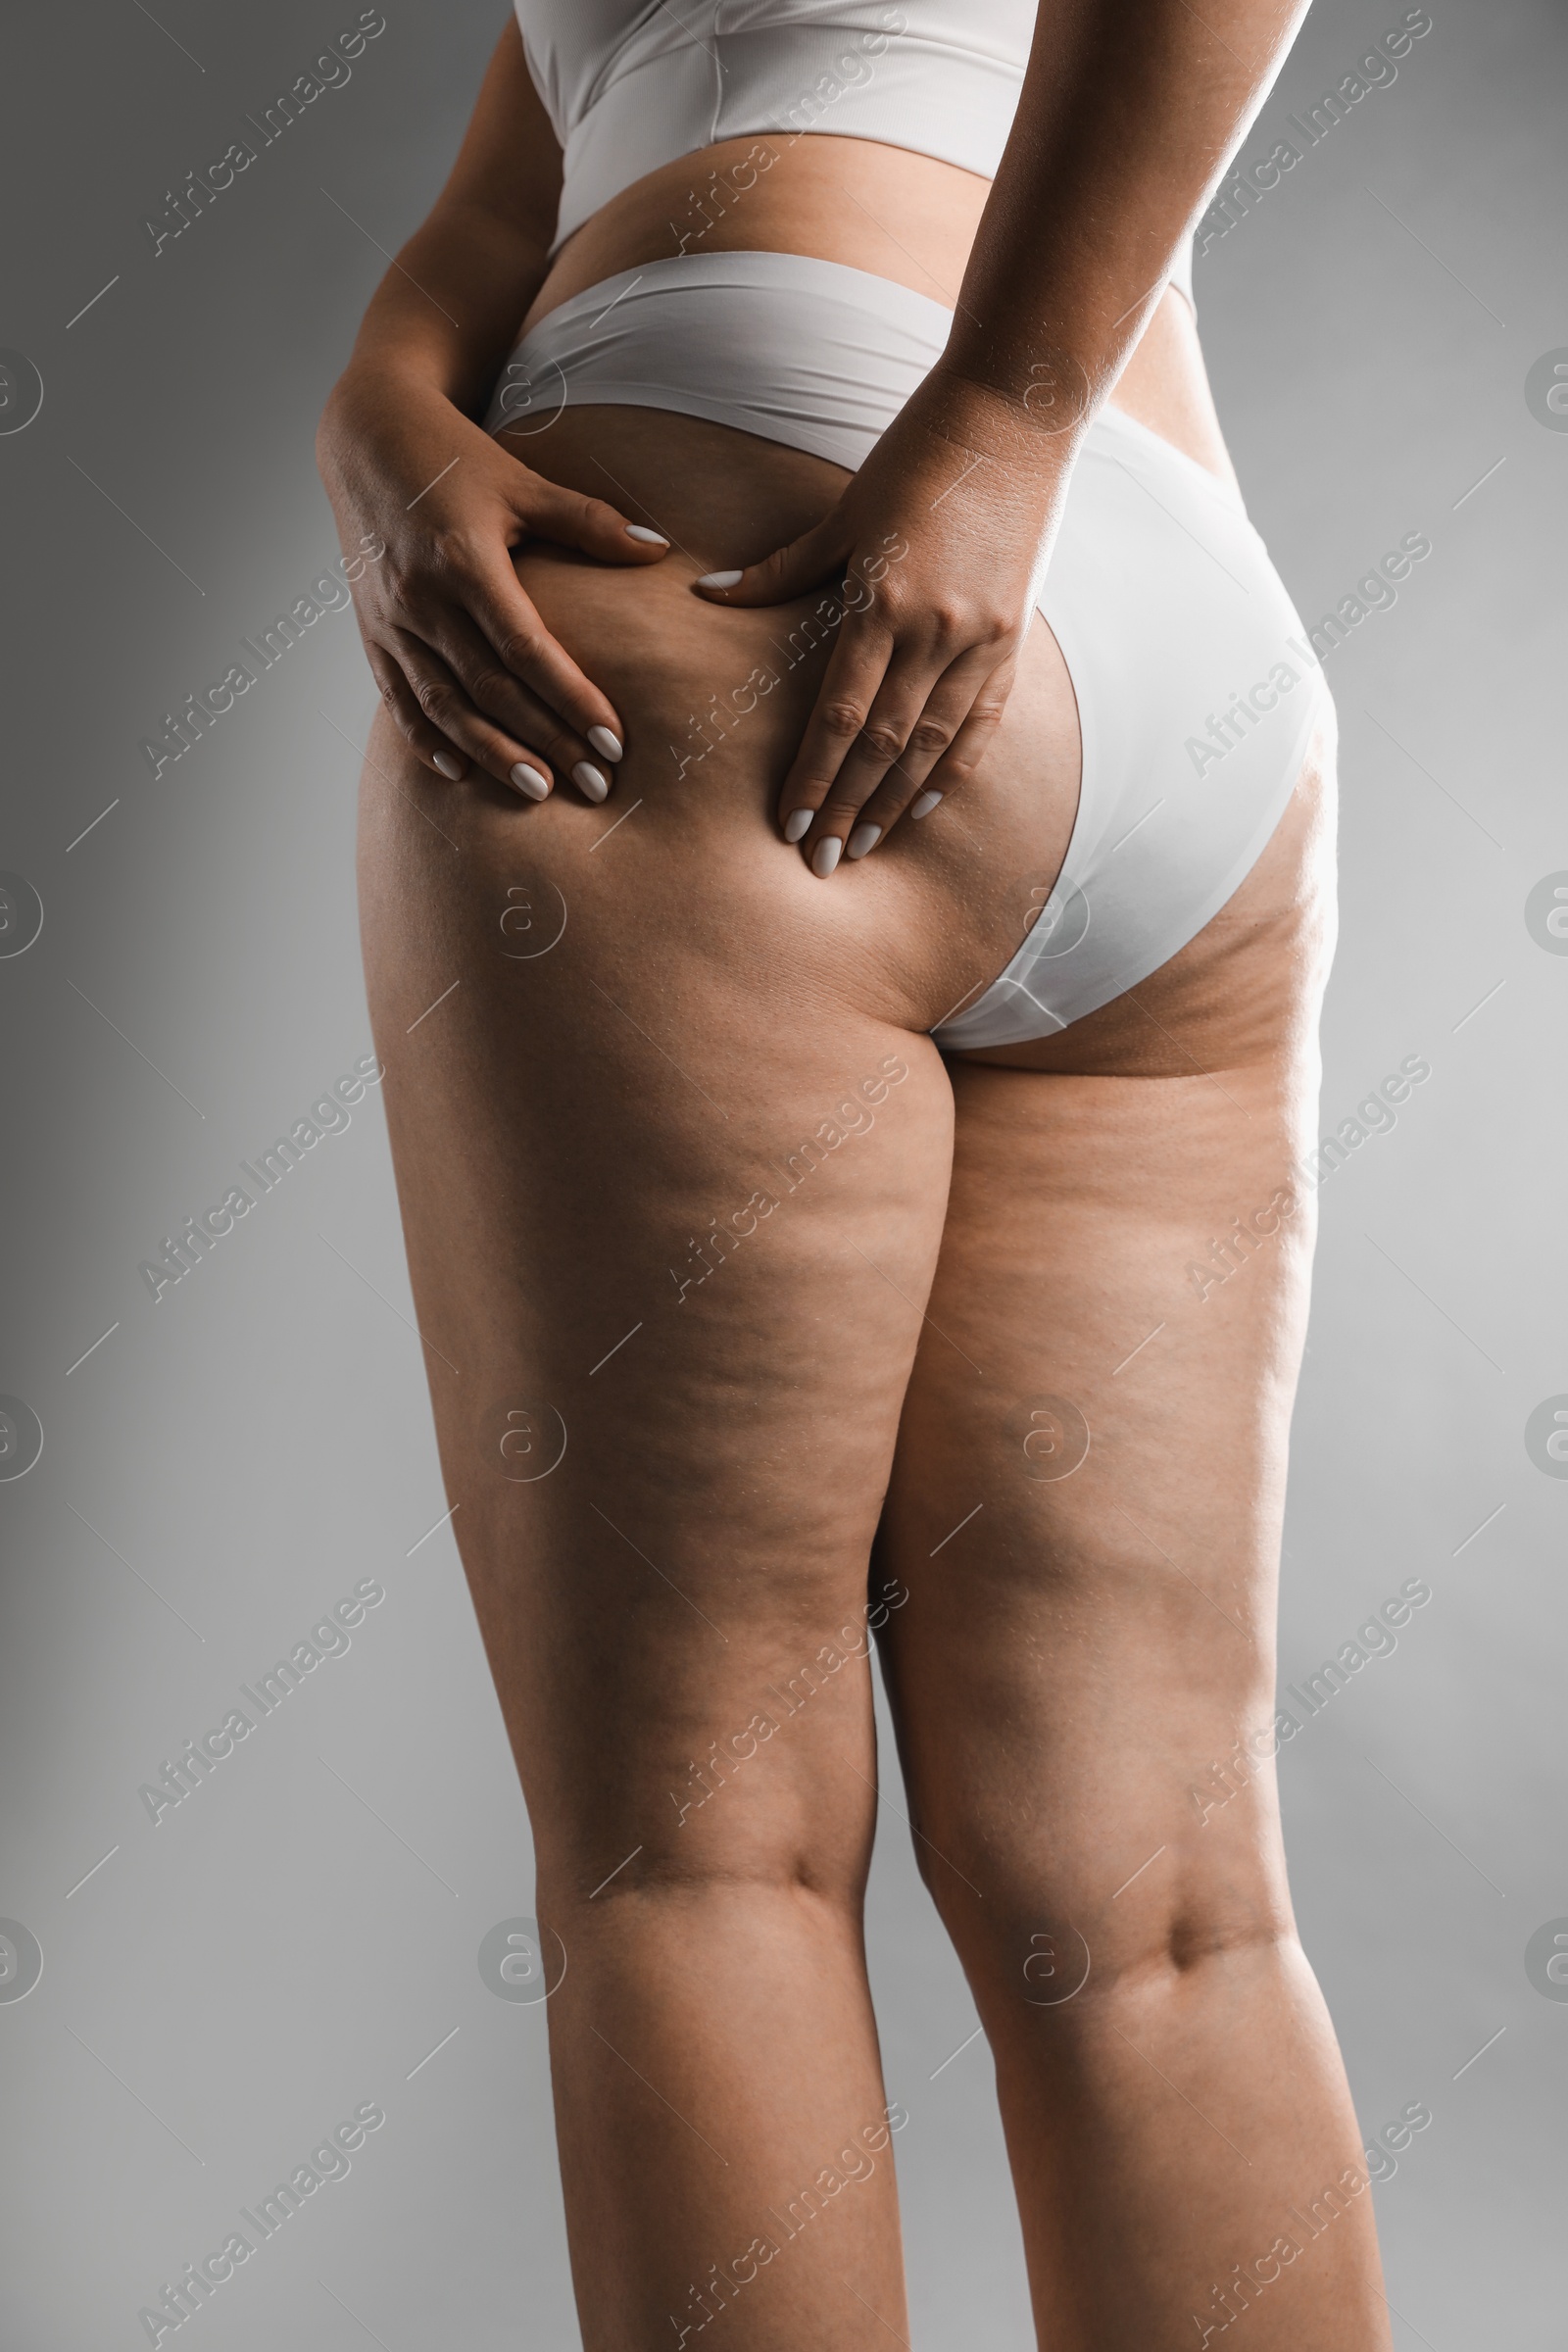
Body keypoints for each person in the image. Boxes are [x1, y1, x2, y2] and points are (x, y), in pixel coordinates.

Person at [318, 4, 1392, 2343]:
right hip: (1157, 641)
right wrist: (379, 417)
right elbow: (519, 178)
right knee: (1160, 1910)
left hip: (758, 537)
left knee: (697, 1858)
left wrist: (994, 425)